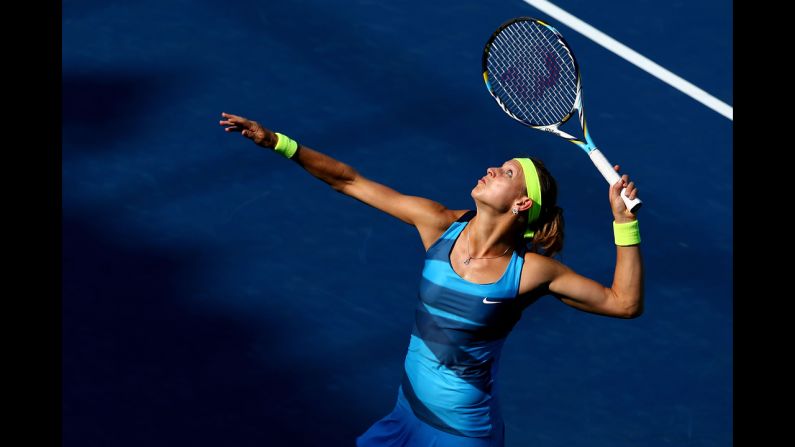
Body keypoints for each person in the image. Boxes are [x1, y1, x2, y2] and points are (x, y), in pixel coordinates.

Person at [219, 112, 644, 447]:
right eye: (500, 165)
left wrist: (624, 223)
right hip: (405, 416)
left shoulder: (531, 272)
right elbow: (348, 181)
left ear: (522, 203)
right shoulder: (438, 224)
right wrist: (277, 141)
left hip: (461, 435)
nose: (493, 169)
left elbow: (623, 303)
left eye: (508, 173)